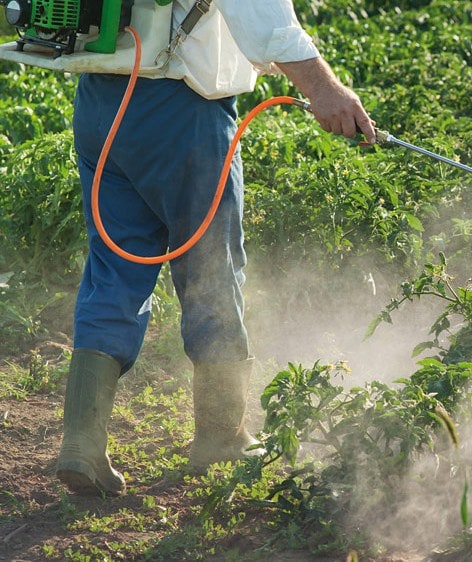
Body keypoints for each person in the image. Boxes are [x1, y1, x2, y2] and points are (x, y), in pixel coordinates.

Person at [56, 0, 376, 497]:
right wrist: (325, 89)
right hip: (180, 115)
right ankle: (222, 436)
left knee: (113, 269)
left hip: (100, 105)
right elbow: (264, 18)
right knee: (212, 268)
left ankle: (81, 442)